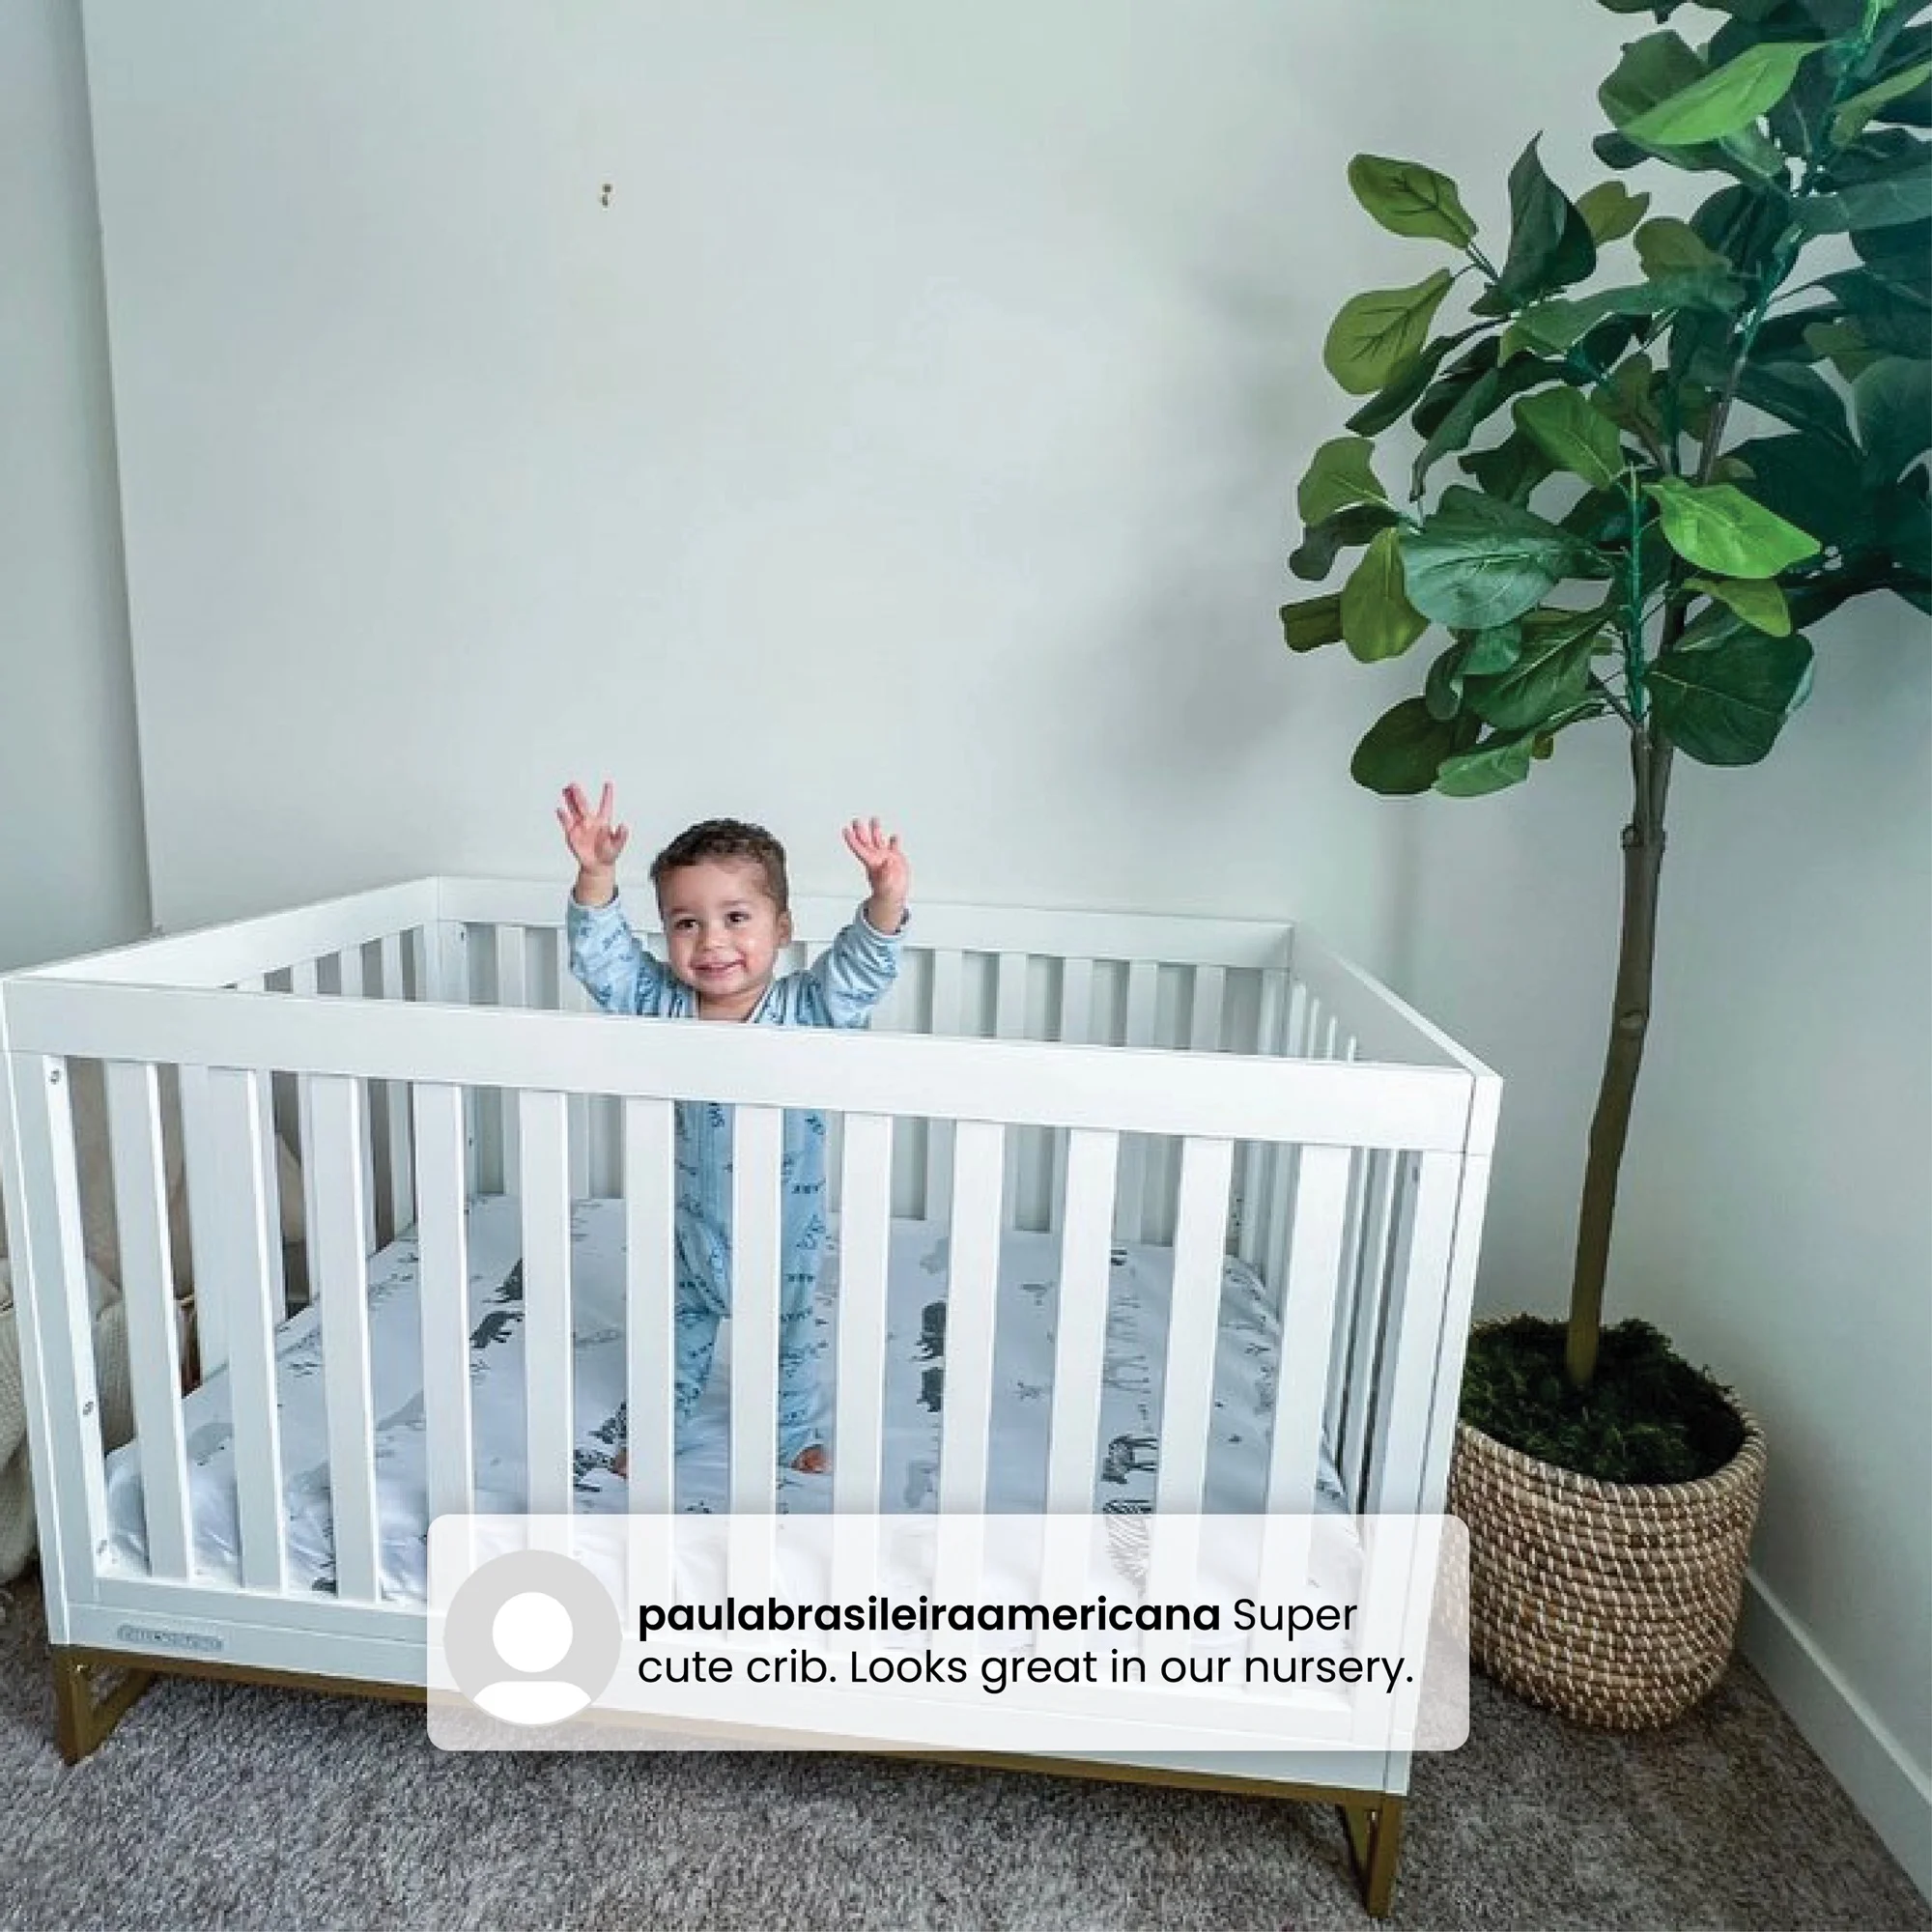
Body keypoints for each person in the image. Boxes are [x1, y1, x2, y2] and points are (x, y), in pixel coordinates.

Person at [557, 782, 911, 1477]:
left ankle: (790, 1435)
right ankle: (657, 1432)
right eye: (685, 922)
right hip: (692, 1231)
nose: (711, 940)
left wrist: (885, 902)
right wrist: (596, 876)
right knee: (673, 1340)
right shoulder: (662, 1005)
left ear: (782, 929)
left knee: (789, 1343)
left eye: (736, 917)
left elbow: (862, 969)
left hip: (786, 1233)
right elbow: (604, 961)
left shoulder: (809, 1009)